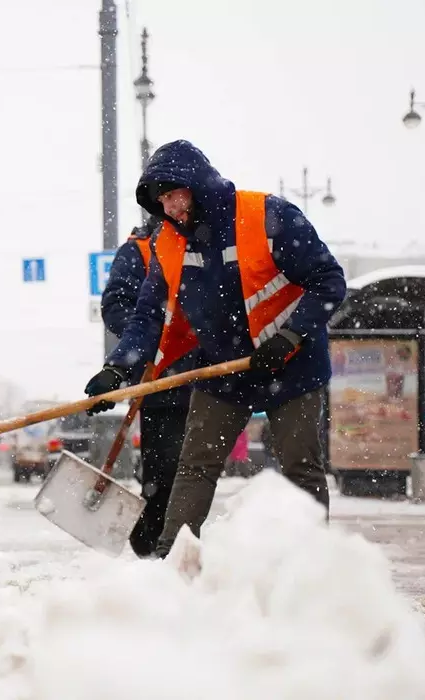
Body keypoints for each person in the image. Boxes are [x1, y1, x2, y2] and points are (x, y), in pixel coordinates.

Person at [83, 139, 346, 557]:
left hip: (292, 365)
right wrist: (118, 369)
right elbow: (149, 316)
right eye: (162, 200)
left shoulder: (267, 216)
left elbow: (329, 281)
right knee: (195, 465)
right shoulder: (167, 244)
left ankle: (310, 564)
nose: (170, 208)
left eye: (174, 194)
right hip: (224, 369)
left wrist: (289, 337)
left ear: (198, 184)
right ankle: (175, 562)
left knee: (300, 466)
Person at [98, 216, 196, 557]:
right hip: (159, 381)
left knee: (198, 471)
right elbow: (116, 306)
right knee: (166, 470)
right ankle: (153, 544)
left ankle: (183, 546)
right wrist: (154, 340)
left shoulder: (205, 240)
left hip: (210, 376)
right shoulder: (138, 250)